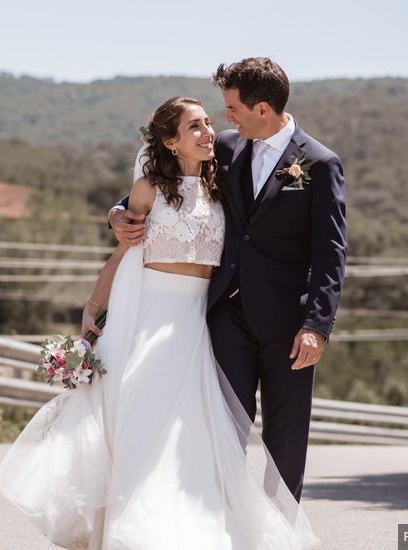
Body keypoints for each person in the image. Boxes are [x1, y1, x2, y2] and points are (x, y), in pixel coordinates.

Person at [0, 96, 318, 549]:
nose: (209, 132)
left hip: (198, 323)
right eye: (196, 127)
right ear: (169, 141)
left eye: (209, 122)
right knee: (145, 428)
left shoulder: (222, 182)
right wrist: (93, 308)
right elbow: (125, 249)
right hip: (150, 320)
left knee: (193, 439)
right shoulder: (149, 189)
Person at [110, 57, 347, 504]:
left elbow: (330, 252)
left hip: (288, 326)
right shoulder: (224, 145)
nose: (226, 117)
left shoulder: (320, 163)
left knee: (286, 433)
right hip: (225, 315)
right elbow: (168, 180)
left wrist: (317, 326)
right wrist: (118, 213)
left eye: (233, 107)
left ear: (262, 108)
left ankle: (281, 529)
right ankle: (222, 523)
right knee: (218, 428)